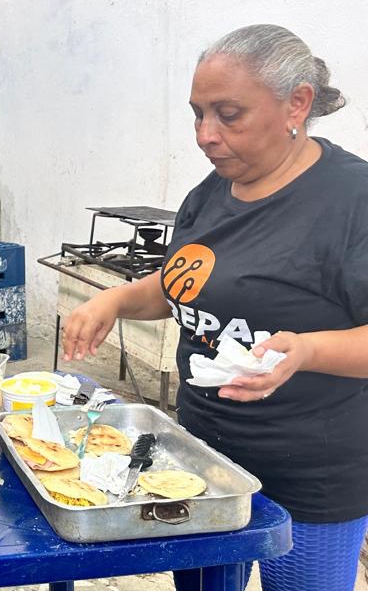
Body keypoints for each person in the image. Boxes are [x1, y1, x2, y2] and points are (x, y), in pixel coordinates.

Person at [61, 24, 368, 591]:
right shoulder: (211, 192)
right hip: (203, 458)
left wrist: (305, 350)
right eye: (198, 114)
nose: (206, 135)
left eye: (229, 115)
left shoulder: (351, 200)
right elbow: (184, 284)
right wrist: (116, 298)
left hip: (310, 474)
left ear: (296, 102)